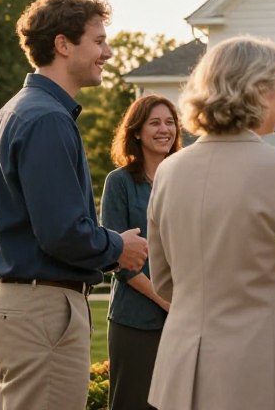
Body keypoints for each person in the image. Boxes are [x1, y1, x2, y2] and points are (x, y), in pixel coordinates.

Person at [146, 36, 275, 410]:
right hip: (265, 373)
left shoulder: (169, 170)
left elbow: (164, 280)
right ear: (255, 91)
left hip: (183, 373)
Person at [0, 0, 149, 410]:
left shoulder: (21, 111)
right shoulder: (47, 119)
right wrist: (118, 247)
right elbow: (61, 232)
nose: (107, 52)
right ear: (63, 44)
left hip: (18, 306)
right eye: (99, 40)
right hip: (41, 311)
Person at [101, 95, 182, 410]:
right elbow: (119, 260)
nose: (165, 130)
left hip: (183, 317)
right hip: (135, 319)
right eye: (155, 122)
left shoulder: (184, 179)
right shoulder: (119, 183)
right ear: (136, 132)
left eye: (170, 122)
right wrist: (166, 300)